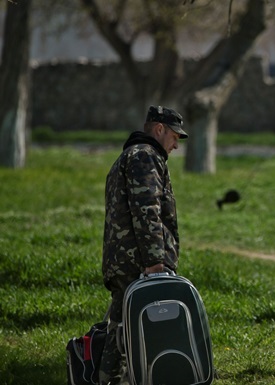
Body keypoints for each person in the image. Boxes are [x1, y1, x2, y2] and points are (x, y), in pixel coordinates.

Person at [99, 105, 188, 385]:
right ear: (159, 129)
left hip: (125, 260)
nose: (176, 144)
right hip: (137, 262)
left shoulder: (132, 156)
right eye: (174, 136)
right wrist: (155, 262)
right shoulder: (144, 157)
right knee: (130, 330)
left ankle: (114, 380)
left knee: (121, 327)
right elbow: (146, 209)